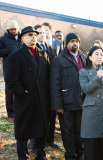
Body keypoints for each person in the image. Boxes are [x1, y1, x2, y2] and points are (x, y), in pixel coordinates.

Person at [6, 26, 50, 160]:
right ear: (23, 38)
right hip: (25, 101)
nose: (34, 37)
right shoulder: (15, 56)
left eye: (35, 35)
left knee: (41, 129)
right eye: (30, 34)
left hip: (41, 100)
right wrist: (23, 94)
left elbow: (47, 76)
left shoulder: (43, 54)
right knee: (23, 132)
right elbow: (11, 80)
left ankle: (40, 154)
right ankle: (23, 156)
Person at [50, 32, 85, 160]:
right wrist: (58, 105)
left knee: (80, 130)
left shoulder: (84, 58)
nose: (74, 43)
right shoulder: (58, 60)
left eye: (76, 41)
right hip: (66, 103)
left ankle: (80, 152)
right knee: (67, 131)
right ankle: (70, 155)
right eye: (72, 41)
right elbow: (54, 84)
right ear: (67, 43)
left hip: (81, 102)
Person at [79, 46, 103, 160]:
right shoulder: (84, 72)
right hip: (91, 112)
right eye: (96, 54)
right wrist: (97, 77)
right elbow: (85, 89)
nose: (99, 56)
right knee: (91, 144)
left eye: (101, 54)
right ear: (90, 57)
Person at [34, 24, 59, 149]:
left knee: (51, 115)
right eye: (38, 33)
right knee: (39, 116)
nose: (41, 35)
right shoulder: (32, 50)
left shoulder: (52, 49)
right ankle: (38, 142)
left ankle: (50, 139)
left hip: (51, 87)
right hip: (39, 88)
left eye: (43, 32)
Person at [0, 20, 22, 123]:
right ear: (8, 30)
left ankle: (19, 111)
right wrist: (8, 50)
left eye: (15, 29)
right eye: (11, 29)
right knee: (9, 92)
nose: (13, 31)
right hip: (9, 69)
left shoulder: (21, 39)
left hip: (21, 68)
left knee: (19, 90)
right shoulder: (3, 39)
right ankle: (11, 113)